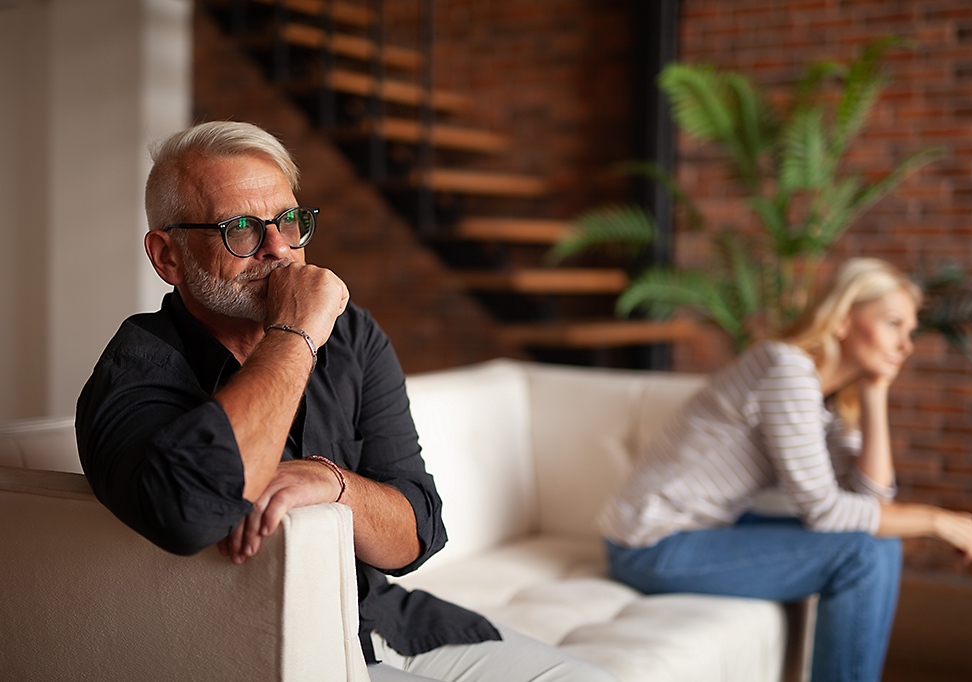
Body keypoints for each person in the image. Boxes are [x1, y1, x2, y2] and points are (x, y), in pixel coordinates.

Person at [76, 120, 618, 682]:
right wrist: (294, 336)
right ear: (168, 256)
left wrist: (334, 484)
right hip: (269, 652)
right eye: (241, 228)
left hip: (387, 620)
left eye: (288, 221)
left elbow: (418, 531)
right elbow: (190, 513)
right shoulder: (137, 369)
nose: (279, 250)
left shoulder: (351, 334)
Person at [598, 258, 972, 682]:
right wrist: (933, 520)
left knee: (877, 544)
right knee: (861, 555)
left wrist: (875, 393)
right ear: (841, 320)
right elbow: (826, 512)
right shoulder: (787, 370)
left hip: (708, 527)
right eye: (893, 323)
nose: (906, 345)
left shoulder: (824, 396)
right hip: (650, 544)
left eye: (909, 331)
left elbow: (871, 504)